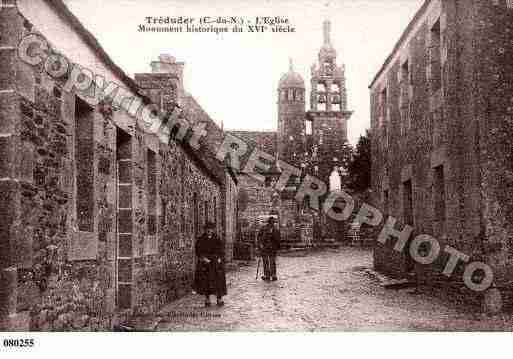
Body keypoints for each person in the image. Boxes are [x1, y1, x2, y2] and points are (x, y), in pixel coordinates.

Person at [193, 222, 227, 307]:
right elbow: (198, 251)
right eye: (207, 229)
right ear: (205, 230)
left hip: (216, 262)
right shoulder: (201, 239)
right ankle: (207, 299)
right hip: (205, 263)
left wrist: (220, 258)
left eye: (211, 229)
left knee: (218, 280)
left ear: (213, 230)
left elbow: (221, 250)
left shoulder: (217, 239)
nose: (209, 231)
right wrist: (203, 258)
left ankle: (219, 299)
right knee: (205, 281)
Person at [257, 217, 281, 281]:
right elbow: (259, 237)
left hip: (272, 248)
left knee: (272, 261)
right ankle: (267, 275)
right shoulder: (263, 228)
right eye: (271, 222)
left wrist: (277, 246)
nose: (272, 224)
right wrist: (260, 245)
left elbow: (278, 239)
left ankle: (273, 275)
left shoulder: (275, 229)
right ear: (269, 222)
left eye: (273, 223)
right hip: (265, 247)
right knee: (266, 261)